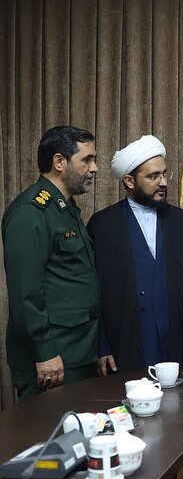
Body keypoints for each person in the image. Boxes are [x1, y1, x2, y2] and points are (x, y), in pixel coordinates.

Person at [87, 135, 183, 374]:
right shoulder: (103, 225)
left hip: (181, 342)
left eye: (165, 174)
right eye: (153, 176)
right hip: (126, 343)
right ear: (129, 181)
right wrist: (101, 346)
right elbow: (91, 294)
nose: (163, 183)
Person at [2, 126, 108, 399]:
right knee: (47, 427)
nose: (94, 168)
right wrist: (45, 352)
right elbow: (25, 294)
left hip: (78, 353)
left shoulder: (65, 209)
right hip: (53, 359)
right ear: (59, 162)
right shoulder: (30, 212)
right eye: (87, 159)